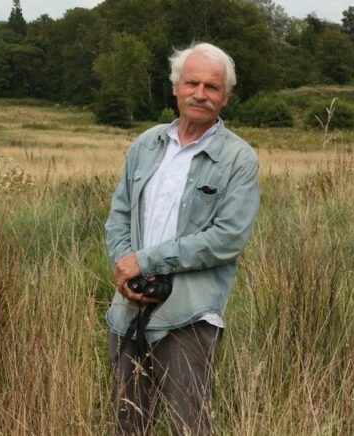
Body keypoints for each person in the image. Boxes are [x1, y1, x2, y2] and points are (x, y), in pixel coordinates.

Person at [104, 42, 260, 435]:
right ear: (175, 87)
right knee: (126, 424)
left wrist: (148, 261)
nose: (200, 94)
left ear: (226, 96)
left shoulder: (238, 159)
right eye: (192, 83)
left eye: (212, 87)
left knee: (188, 426)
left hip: (189, 316)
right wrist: (126, 270)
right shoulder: (147, 144)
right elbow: (119, 214)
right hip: (128, 311)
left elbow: (227, 238)